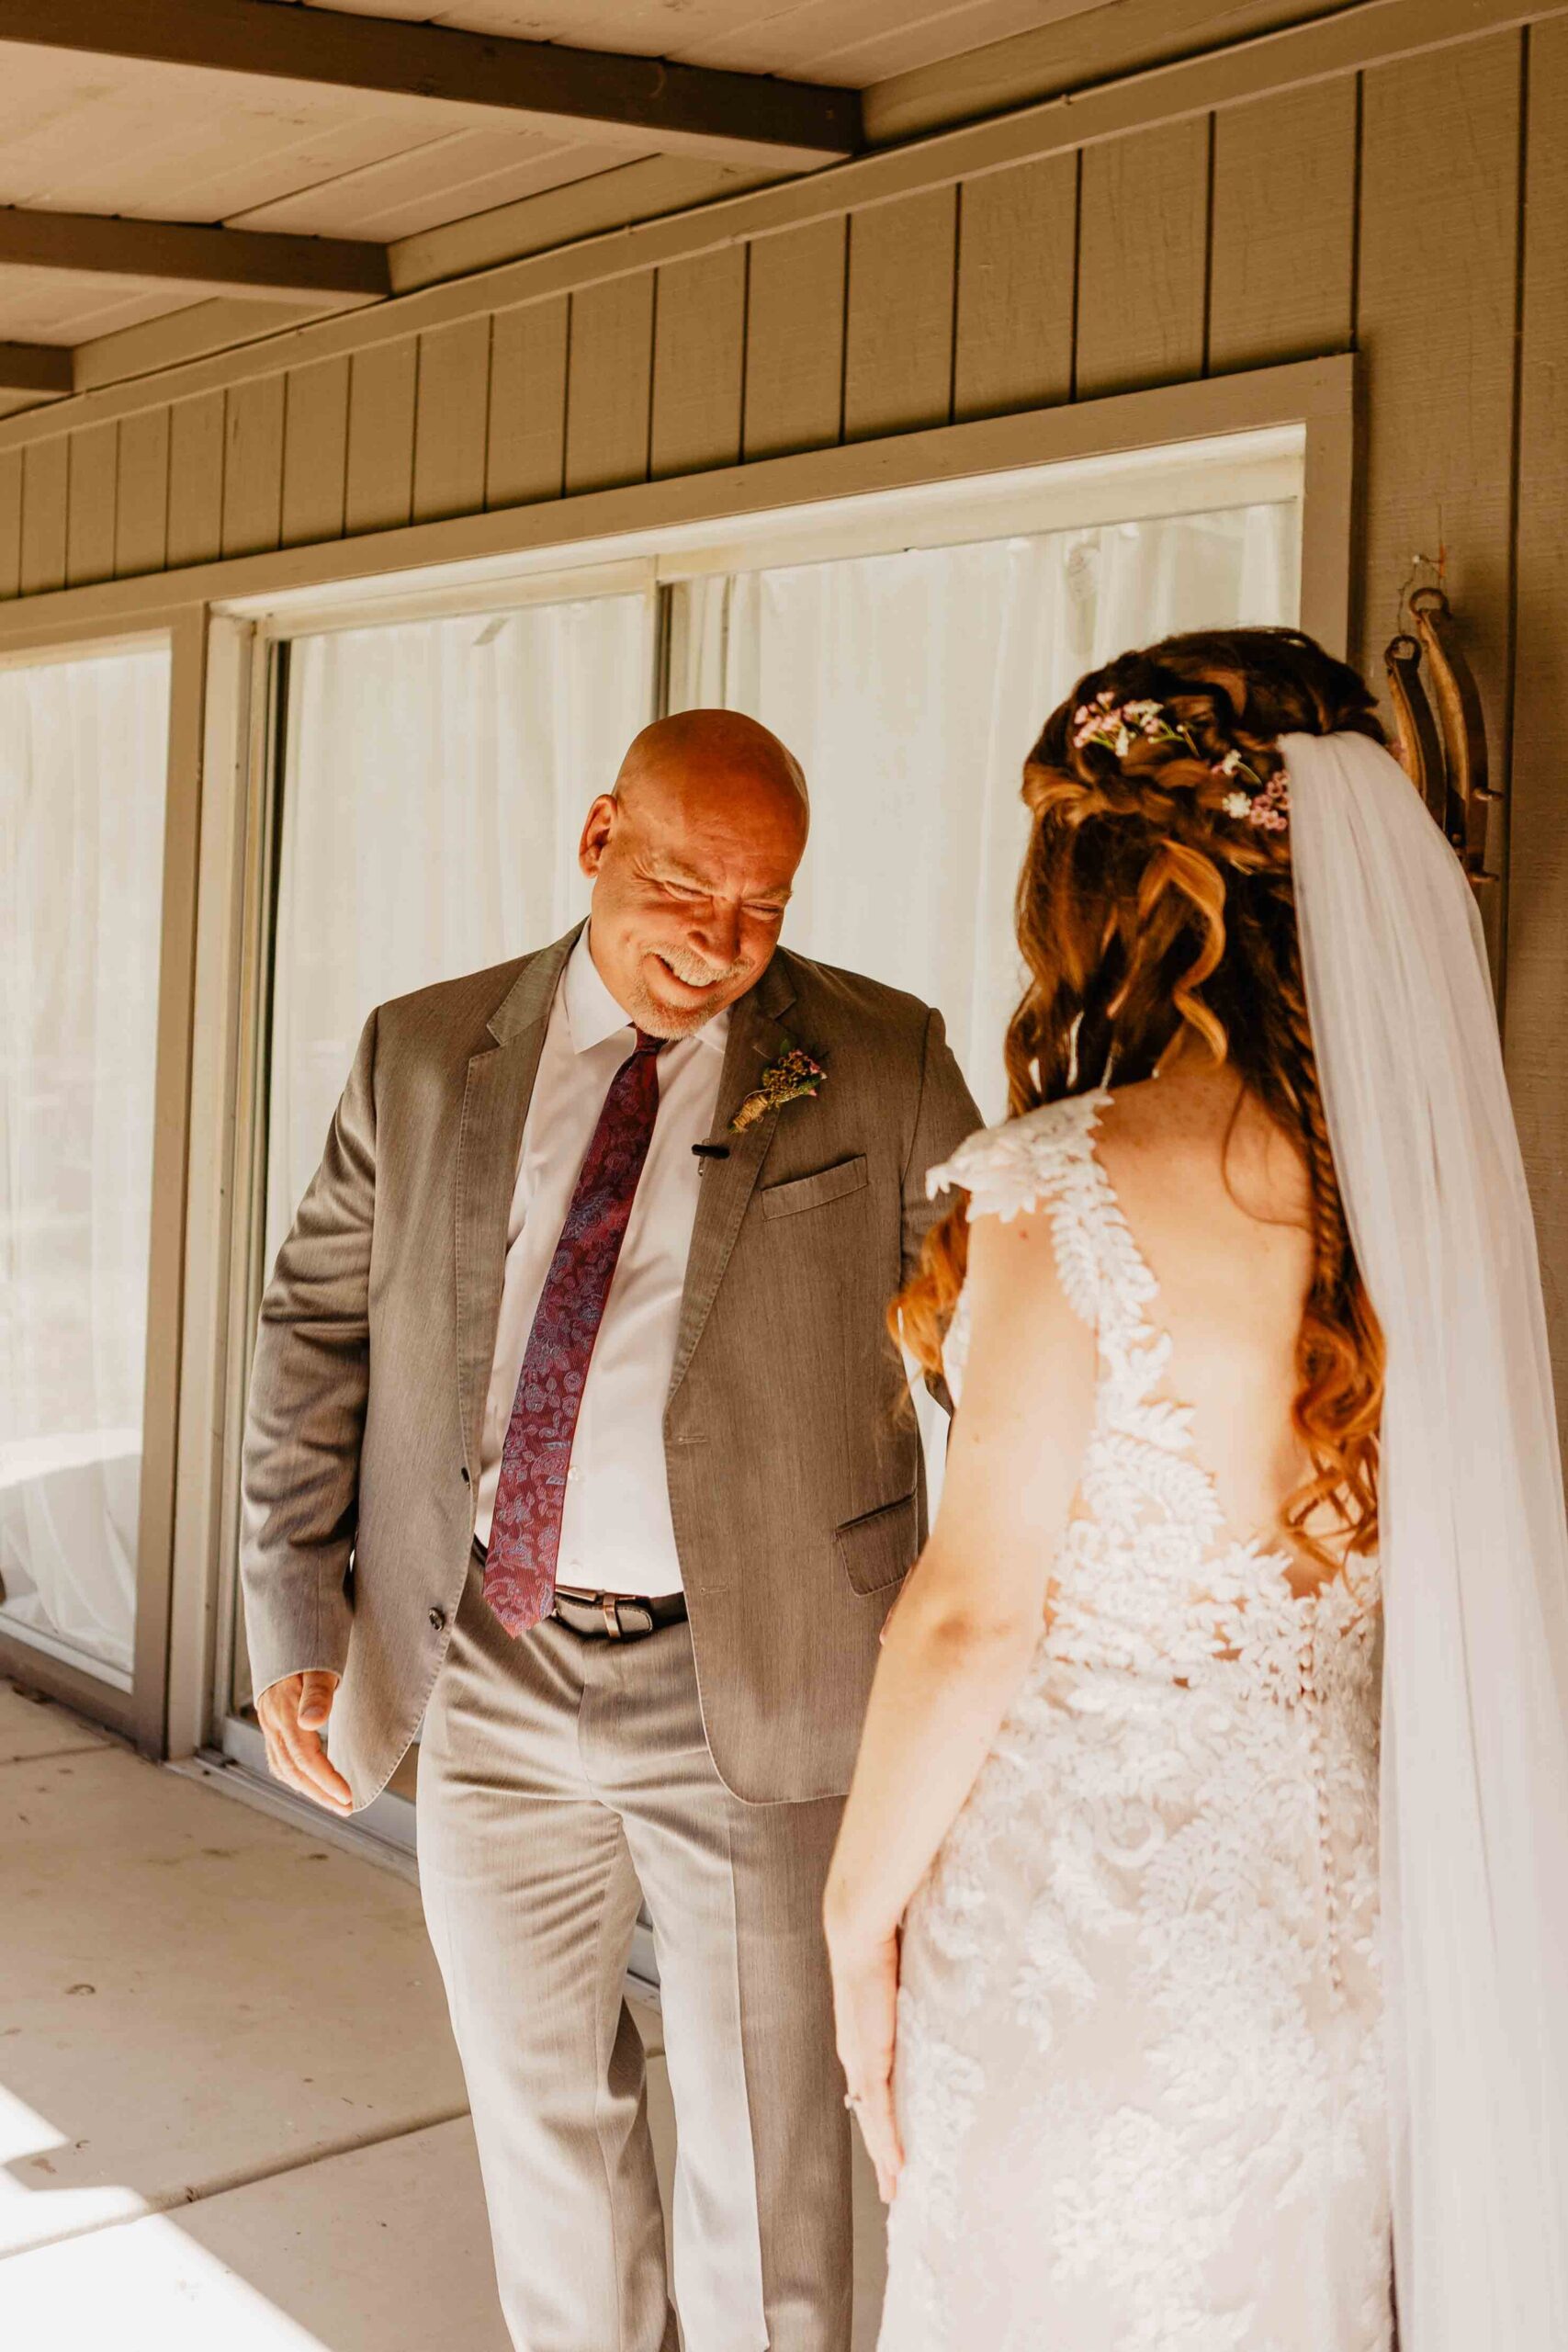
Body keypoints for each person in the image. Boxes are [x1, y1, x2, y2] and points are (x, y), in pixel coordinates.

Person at [825, 629, 1568, 2350]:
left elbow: (972, 1613)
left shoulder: (1067, 1183)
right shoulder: (1428, 1197)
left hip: (1094, 1952)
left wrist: (856, 1917)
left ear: (1113, 896)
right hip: (1358, 1948)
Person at [239, 706, 980, 2352]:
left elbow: (993, 1348)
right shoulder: (424, 1052)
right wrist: (293, 1608)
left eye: (764, 907)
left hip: (760, 1677)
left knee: (771, 2155)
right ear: (595, 841)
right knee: (544, 2134)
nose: (720, 945)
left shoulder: (882, 1057)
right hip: (484, 1666)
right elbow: (315, 1331)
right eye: (683, 888)